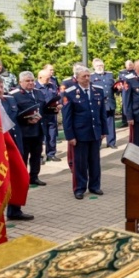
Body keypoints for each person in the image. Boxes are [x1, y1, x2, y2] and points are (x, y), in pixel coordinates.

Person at [62, 65, 107, 200]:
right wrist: (70, 136)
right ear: (77, 78)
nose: (87, 79)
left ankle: (94, 186)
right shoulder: (70, 92)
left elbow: (102, 113)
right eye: (84, 77)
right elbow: (67, 117)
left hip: (95, 132)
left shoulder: (98, 90)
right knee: (80, 163)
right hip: (79, 134)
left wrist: (104, 130)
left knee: (94, 161)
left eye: (88, 76)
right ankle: (79, 188)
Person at [0, 76, 32, 220]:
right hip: (1, 148)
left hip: (16, 144)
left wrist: (29, 119)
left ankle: (15, 210)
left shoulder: (9, 99)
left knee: (19, 178)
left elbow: (16, 119)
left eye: (1, 87)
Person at [11, 71, 46, 187]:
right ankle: (23, 178)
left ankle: (34, 177)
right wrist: (26, 120)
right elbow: (13, 115)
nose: (31, 83)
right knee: (23, 157)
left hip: (38, 130)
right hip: (24, 132)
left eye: (32, 80)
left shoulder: (39, 93)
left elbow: (44, 109)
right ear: (20, 82)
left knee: (36, 155)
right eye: (27, 81)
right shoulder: (14, 95)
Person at [90, 58, 118, 149]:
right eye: (98, 66)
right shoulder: (91, 77)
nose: (100, 67)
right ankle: (98, 143)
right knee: (99, 124)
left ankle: (111, 142)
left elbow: (113, 88)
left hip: (110, 103)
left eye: (101, 65)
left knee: (110, 124)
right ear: (94, 67)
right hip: (98, 105)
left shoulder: (109, 75)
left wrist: (118, 89)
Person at [36, 68, 61, 162]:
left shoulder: (52, 85)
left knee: (52, 135)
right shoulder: (35, 87)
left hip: (51, 114)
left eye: (50, 78)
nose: (49, 80)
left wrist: (59, 104)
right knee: (40, 137)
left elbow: (57, 97)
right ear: (40, 77)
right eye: (47, 78)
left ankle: (51, 154)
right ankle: (39, 156)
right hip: (40, 115)